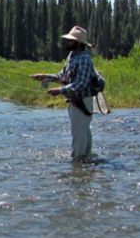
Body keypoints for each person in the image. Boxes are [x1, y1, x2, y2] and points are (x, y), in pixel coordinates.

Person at [30, 25, 96, 160]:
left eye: (71, 40)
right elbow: (62, 76)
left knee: (79, 133)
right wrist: (45, 77)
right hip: (74, 102)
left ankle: (78, 163)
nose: (68, 42)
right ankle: (87, 161)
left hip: (83, 102)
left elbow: (81, 84)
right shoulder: (72, 56)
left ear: (79, 43)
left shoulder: (84, 58)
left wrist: (60, 90)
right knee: (82, 132)